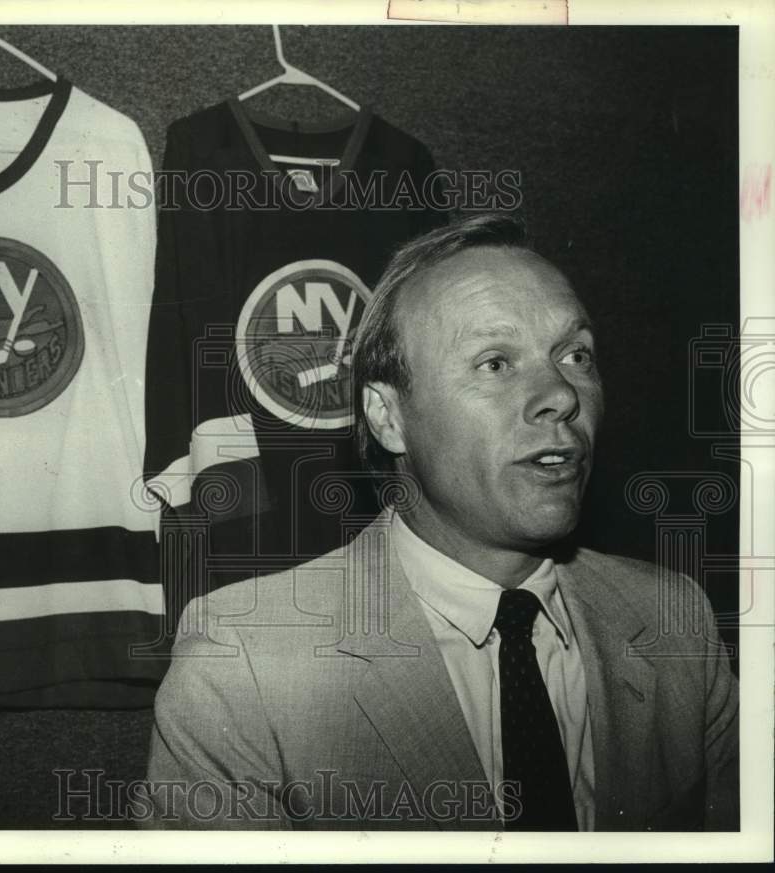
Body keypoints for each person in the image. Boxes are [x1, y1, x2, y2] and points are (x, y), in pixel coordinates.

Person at [141, 213, 739, 831]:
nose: (562, 392)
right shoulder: (245, 666)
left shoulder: (676, 623)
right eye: (495, 363)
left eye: (575, 354)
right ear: (387, 416)